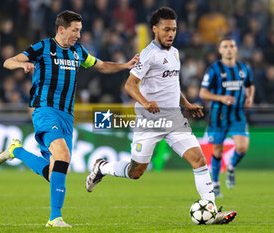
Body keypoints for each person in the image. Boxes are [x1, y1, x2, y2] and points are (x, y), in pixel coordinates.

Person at [85, 7, 236, 224]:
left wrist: (186, 104)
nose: (171, 34)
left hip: (174, 119)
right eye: (166, 29)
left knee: (199, 160)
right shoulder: (148, 54)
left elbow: (172, 86)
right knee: (135, 171)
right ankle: (102, 167)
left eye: (174, 29)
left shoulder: (174, 53)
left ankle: (210, 210)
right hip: (149, 121)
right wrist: (145, 103)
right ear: (155, 29)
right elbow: (129, 85)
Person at [0, 10, 139, 228]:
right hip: (44, 110)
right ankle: (55, 218)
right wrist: (22, 64)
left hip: (66, 115)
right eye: (75, 30)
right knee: (63, 154)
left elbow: (100, 65)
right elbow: (9, 61)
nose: (78, 35)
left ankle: (16, 151)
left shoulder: (78, 52)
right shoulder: (42, 48)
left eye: (79, 30)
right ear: (61, 29)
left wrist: (124, 66)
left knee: (58, 170)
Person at [199, 37, 255, 197]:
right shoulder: (214, 69)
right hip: (218, 115)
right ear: (220, 50)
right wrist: (221, 98)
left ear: (236, 49)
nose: (229, 49)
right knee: (217, 151)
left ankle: (231, 168)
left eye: (232, 46)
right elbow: (202, 93)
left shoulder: (244, 68)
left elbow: (250, 85)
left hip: (237, 115)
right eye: (225, 46)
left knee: (242, 147)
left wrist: (250, 97)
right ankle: (215, 185)